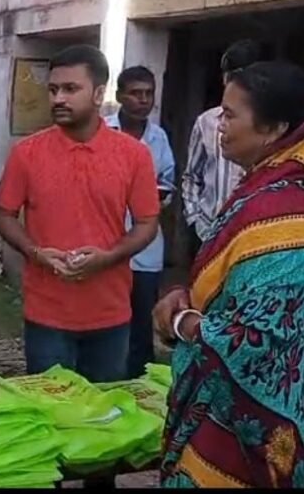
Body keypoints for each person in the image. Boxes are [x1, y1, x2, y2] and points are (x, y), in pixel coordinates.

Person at [153, 61, 304, 488]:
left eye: (231, 115)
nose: (220, 125)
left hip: (243, 425)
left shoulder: (284, 217)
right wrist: (186, 294)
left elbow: (257, 340)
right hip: (219, 403)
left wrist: (180, 322)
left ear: (273, 129)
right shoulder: (256, 192)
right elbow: (229, 283)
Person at [0, 45, 160, 383]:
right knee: (49, 407)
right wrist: (36, 253)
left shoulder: (134, 155)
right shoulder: (26, 153)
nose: (58, 99)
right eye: (53, 89)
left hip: (110, 313)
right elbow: (4, 215)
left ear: (98, 94)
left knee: (103, 409)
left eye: (70, 89)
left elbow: (147, 224)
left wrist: (109, 257)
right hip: (46, 313)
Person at [104, 66, 176, 378]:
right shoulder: (102, 131)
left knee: (141, 323)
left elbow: (168, 181)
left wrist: (157, 195)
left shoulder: (158, 138)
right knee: (106, 318)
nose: (143, 100)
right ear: (120, 96)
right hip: (105, 243)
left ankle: (137, 381)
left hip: (146, 247)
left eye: (149, 94)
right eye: (135, 93)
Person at [181, 40, 261, 261]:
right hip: (207, 232)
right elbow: (191, 177)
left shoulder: (269, 125)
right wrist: (195, 219)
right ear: (225, 78)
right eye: (233, 77)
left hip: (251, 234)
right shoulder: (207, 122)